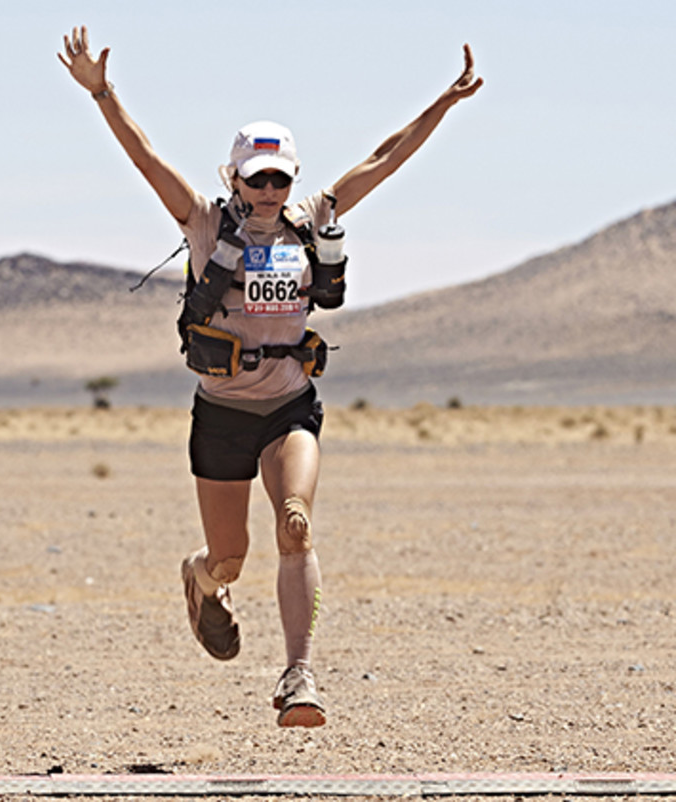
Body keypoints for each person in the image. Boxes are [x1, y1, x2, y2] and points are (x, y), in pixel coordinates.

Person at [59, 25, 482, 727]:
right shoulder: (203, 223)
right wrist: (102, 93)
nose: (269, 187)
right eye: (256, 177)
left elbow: (384, 158)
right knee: (231, 559)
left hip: (290, 406)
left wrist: (443, 101)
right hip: (221, 414)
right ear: (234, 178)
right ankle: (200, 580)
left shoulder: (311, 218)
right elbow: (146, 158)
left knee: (296, 525)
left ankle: (299, 677)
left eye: (280, 176)